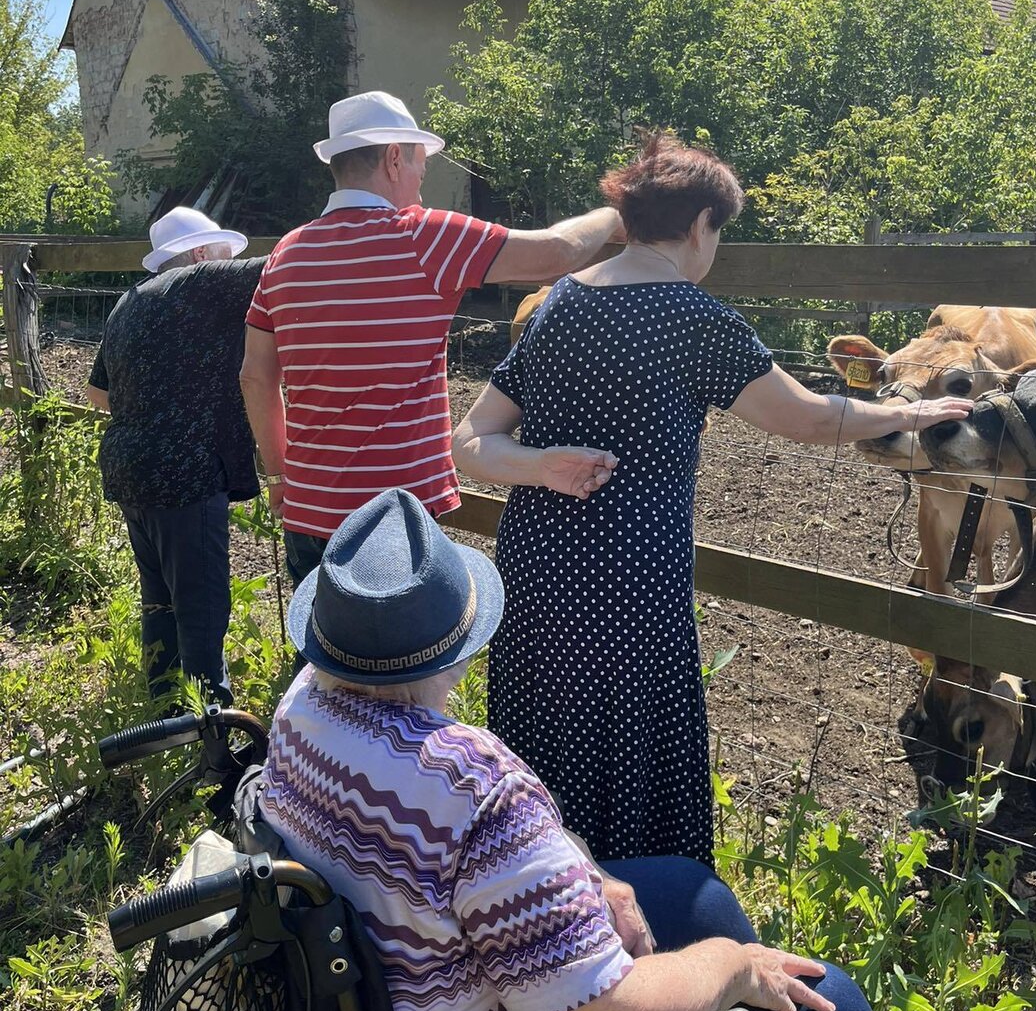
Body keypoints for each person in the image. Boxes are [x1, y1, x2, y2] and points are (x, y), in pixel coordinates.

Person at [255, 487, 900, 1011]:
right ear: (457, 648)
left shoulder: (304, 708)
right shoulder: (475, 789)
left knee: (693, 892)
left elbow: (485, 860)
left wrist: (588, 872)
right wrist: (730, 969)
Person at [452, 137, 974, 865]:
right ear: (701, 225)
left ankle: (535, 883)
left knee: (547, 731)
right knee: (633, 742)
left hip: (537, 567)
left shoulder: (559, 304)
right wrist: (905, 413)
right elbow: (807, 418)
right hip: (632, 578)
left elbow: (469, 441)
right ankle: (632, 897)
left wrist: (541, 467)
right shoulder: (693, 317)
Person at [240, 91, 624, 588]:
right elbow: (557, 251)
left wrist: (278, 475)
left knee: (317, 637)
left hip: (309, 509)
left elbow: (255, 376)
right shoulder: (424, 236)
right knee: (404, 638)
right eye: (421, 163)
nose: (422, 181)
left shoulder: (286, 254)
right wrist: (614, 216)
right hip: (397, 517)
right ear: (393, 158)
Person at [86, 207, 264, 708]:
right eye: (225, 254)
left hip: (130, 471)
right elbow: (289, 265)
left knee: (160, 600)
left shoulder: (129, 302)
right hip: (184, 477)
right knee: (202, 607)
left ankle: (163, 707)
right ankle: (212, 726)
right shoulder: (202, 282)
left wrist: (156, 404)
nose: (231, 264)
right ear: (201, 254)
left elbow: (98, 393)